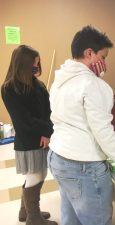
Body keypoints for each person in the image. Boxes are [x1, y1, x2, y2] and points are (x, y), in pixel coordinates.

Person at [47, 25, 115, 225]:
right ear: (89, 53)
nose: (104, 63)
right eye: (103, 57)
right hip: (83, 165)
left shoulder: (60, 79)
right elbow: (103, 131)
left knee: (71, 217)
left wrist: (97, 83)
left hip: (57, 157)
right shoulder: (93, 85)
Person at [1, 45, 57, 225]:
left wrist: (48, 131)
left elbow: (49, 110)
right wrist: (45, 131)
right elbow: (23, 120)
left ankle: (25, 212)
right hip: (29, 139)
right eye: (34, 62)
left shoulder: (37, 83)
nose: (37, 65)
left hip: (42, 136)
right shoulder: (10, 88)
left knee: (37, 175)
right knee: (35, 176)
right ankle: (34, 218)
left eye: (38, 62)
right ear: (23, 63)